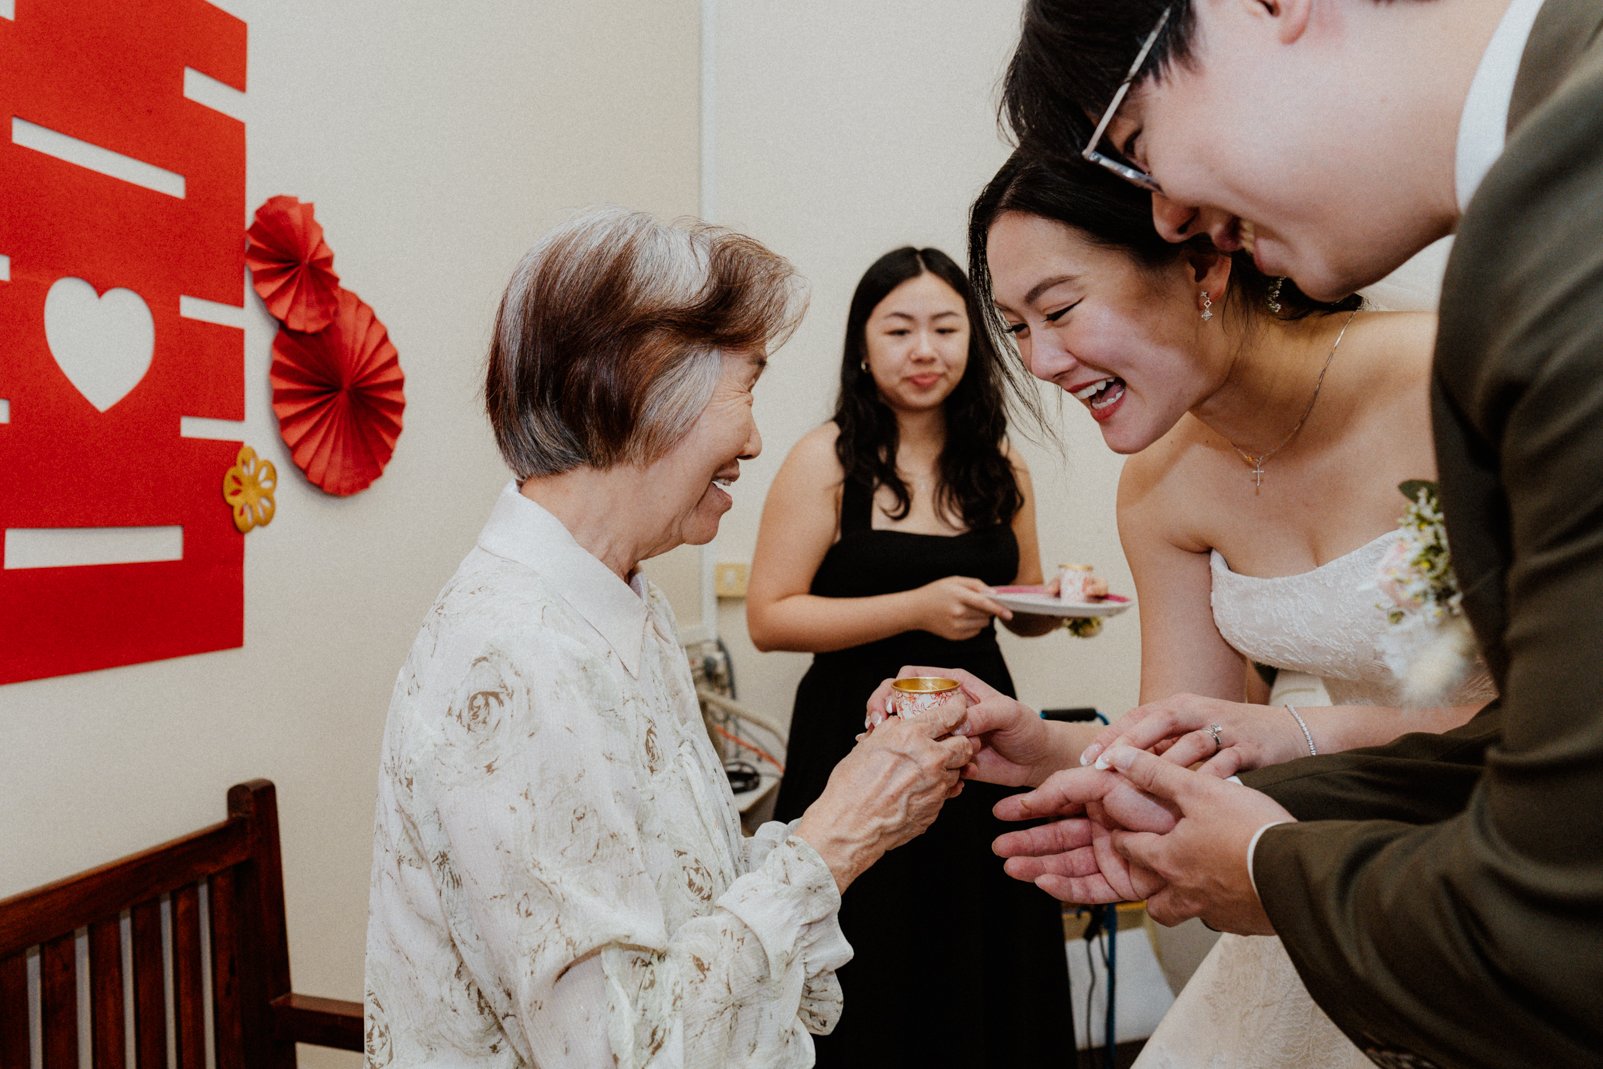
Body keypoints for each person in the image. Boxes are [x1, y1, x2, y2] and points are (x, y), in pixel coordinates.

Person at [973, 1, 1603, 1066]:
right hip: (1391, 880)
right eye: (1016, 326)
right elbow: (1191, 734)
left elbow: (1540, 792)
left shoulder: (1512, 287)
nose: (1172, 212)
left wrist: (1278, 830)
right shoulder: (1159, 488)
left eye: (1138, 146)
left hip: (1459, 903)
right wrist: (1060, 756)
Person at [363, 209, 977, 1068]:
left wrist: (854, 807)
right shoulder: (513, 656)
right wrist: (835, 838)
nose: (756, 439)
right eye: (746, 388)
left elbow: (688, 902)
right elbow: (620, 1053)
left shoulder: (622, 597)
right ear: (643, 386)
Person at [744, 246, 1078, 1067]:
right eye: (899, 328)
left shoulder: (1001, 464)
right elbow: (769, 615)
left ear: (974, 341)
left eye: (944, 327)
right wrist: (918, 607)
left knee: (981, 931)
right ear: (863, 344)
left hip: (981, 736)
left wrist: (1060, 610)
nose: (923, 349)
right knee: (874, 937)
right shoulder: (825, 458)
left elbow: (1019, 602)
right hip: (851, 735)